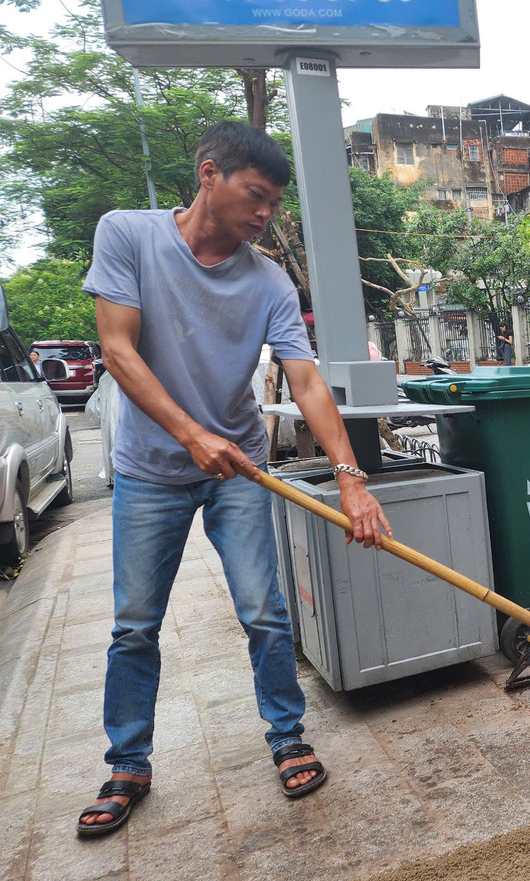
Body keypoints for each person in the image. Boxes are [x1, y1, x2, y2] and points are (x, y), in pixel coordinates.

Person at [76, 121, 392, 837]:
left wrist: (350, 478)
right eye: (256, 195)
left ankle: (287, 735)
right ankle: (128, 761)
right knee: (134, 625)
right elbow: (117, 349)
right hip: (151, 472)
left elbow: (307, 382)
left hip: (241, 466)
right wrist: (190, 435)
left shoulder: (268, 280)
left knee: (264, 610)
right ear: (209, 174)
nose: (264, 214)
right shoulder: (127, 235)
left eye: (274, 204)